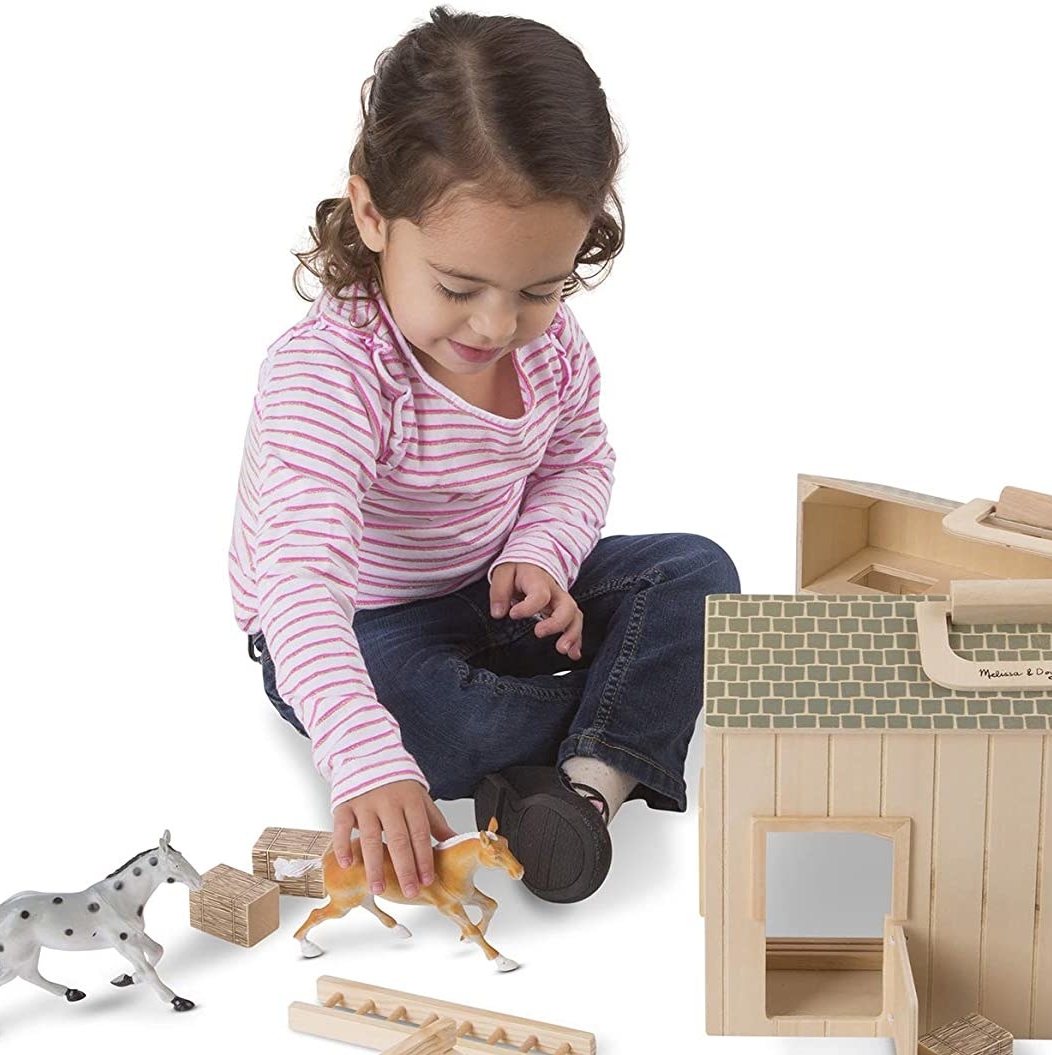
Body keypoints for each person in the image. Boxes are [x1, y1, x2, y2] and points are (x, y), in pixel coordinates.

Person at [228, 7, 738, 906]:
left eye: (540, 289)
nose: (498, 326)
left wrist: (539, 553)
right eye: (459, 288)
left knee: (699, 569)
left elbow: (577, 460)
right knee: (449, 728)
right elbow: (298, 582)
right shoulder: (328, 373)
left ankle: (586, 784)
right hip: (359, 622)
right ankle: (629, 723)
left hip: (489, 587)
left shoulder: (552, 346)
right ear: (373, 215)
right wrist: (364, 754)